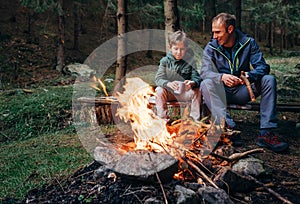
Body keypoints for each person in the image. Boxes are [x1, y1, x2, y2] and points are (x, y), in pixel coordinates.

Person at [200, 13, 288, 152]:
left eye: (218, 32)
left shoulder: (248, 43)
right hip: (221, 93)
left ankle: (266, 133)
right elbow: (204, 72)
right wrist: (221, 77)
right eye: (213, 32)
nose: (215, 36)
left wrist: (248, 75)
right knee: (206, 83)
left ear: (230, 29)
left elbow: (263, 67)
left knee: (268, 80)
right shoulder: (211, 47)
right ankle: (228, 128)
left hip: (243, 90)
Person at [155, 30, 201, 122]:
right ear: (170, 48)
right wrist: (167, 84)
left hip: (185, 92)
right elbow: (158, 78)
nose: (179, 52)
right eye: (176, 49)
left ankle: (195, 121)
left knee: (197, 92)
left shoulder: (191, 61)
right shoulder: (165, 61)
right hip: (170, 93)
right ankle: (163, 120)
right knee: (159, 90)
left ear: (186, 48)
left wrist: (192, 83)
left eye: (182, 49)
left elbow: (196, 77)